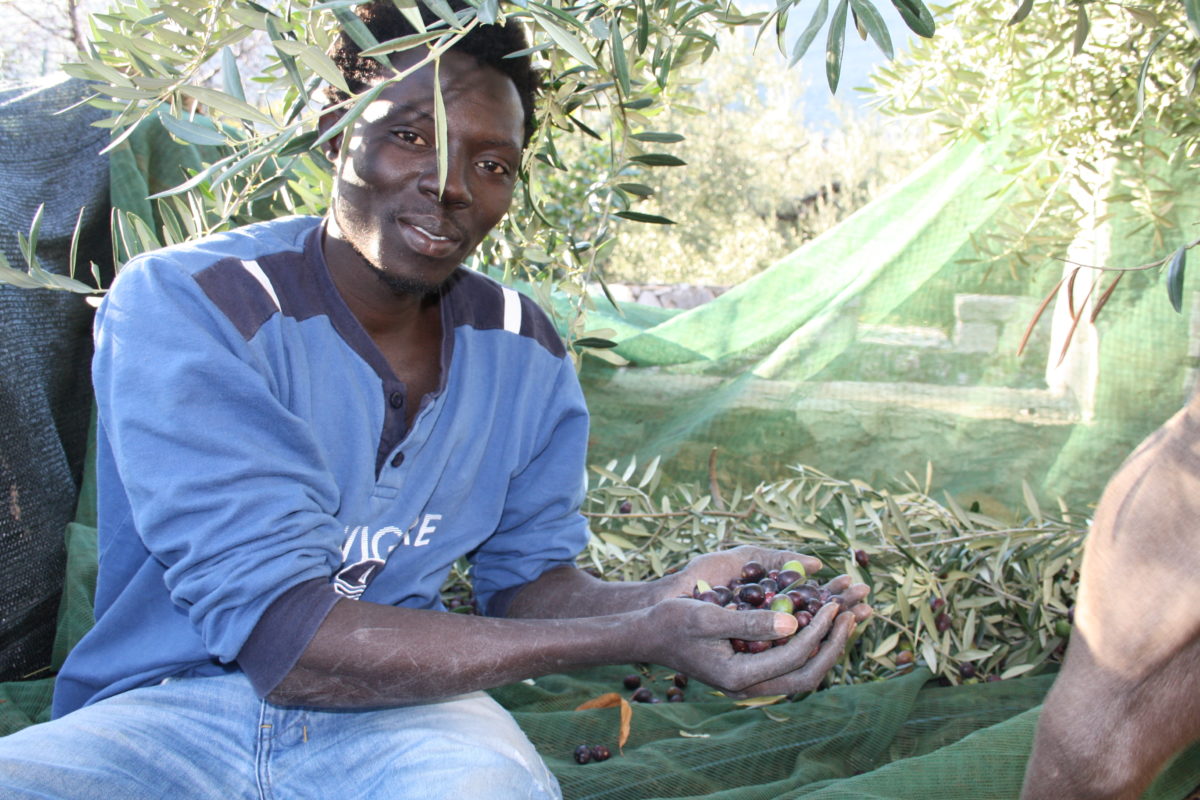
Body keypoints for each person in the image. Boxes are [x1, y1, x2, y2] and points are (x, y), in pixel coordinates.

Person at [0, 3, 870, 797]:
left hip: (407, 715)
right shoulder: (195, 304)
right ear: (337, 128)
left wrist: (669, 595)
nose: (451, 185)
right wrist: (638, 634)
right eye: (413, 136)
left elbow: (527, 584)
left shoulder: (523, 349)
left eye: (491, 163)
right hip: (166, 707)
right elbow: (288, 641)